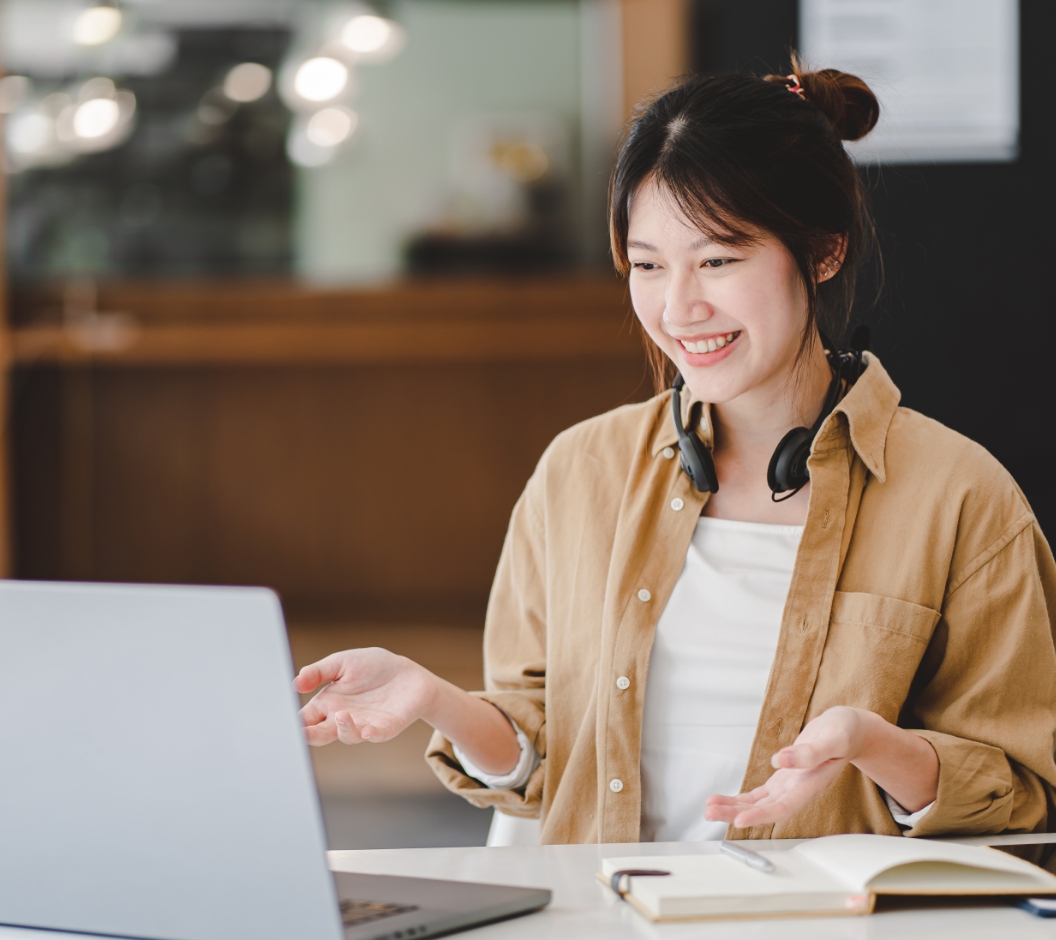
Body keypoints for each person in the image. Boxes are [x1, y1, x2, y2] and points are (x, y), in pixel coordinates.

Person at [295, 63, 1056, 844]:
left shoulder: (963, 499)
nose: (679, 307)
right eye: (649, 264)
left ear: (823, 253)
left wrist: (877, 747)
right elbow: (546, 763)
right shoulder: (579, 471)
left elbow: (1025, 796)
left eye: (718, 260)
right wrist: (434, 701)